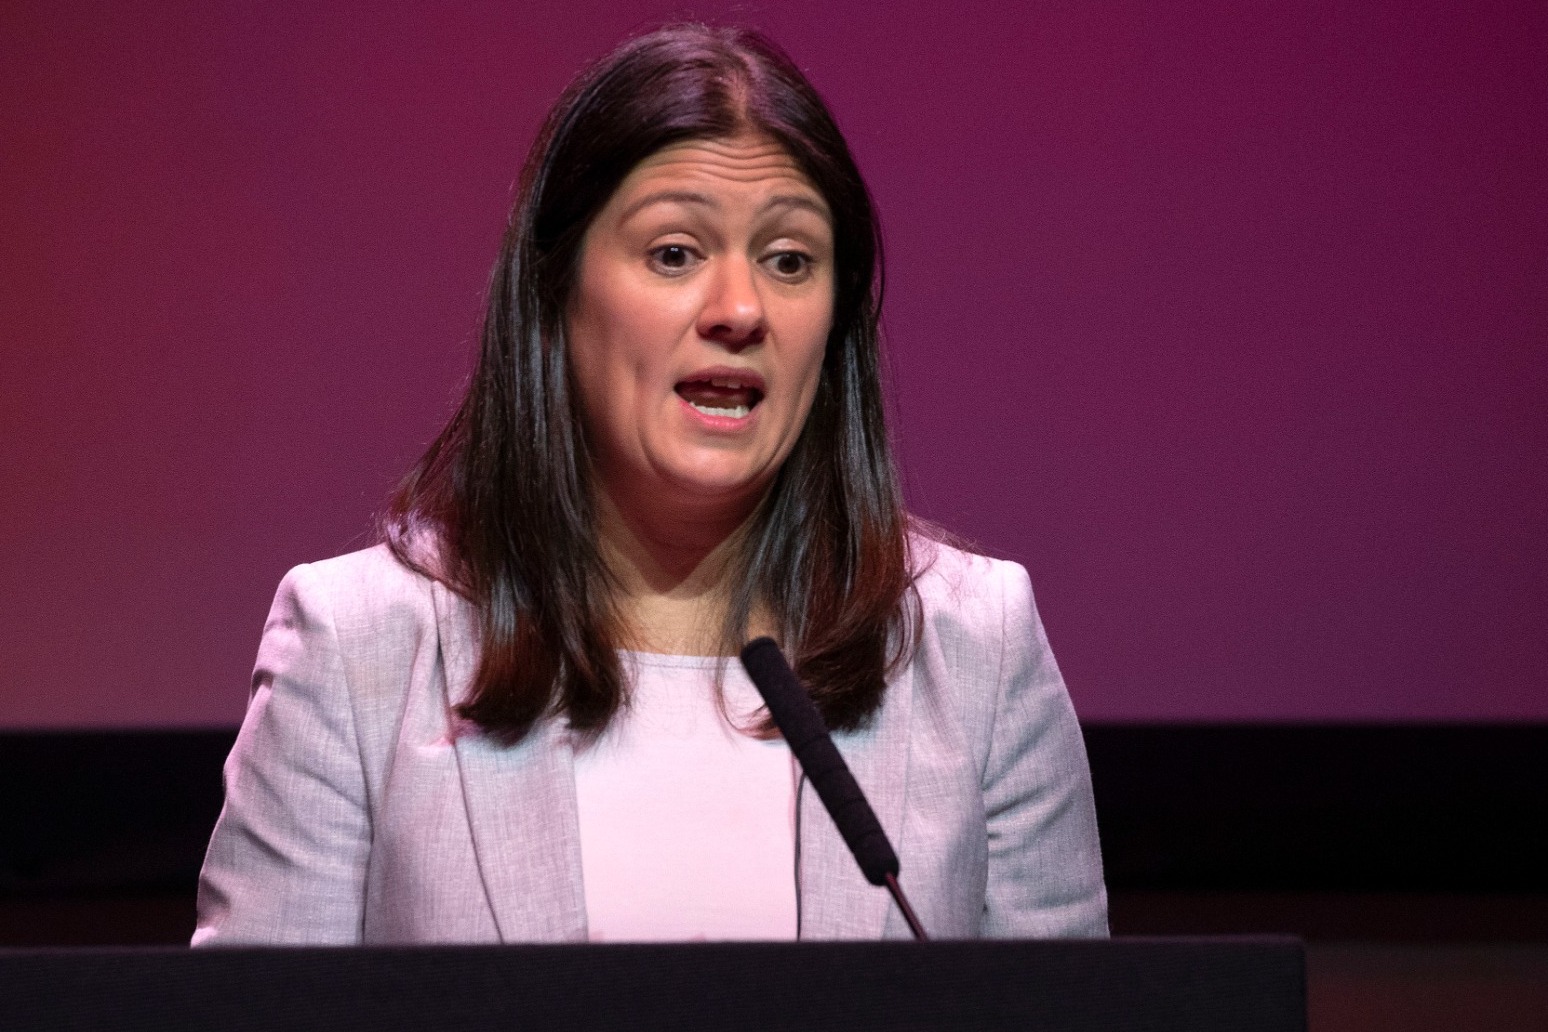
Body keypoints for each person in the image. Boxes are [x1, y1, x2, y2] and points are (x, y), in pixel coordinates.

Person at [193, 23, 1107, 945]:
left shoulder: (975, 648)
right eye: (674, 253)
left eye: (790, 260)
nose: (741, 310)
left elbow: (1068, 1009)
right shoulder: (358, 649)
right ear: (556, 293)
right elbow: (257, 1011)